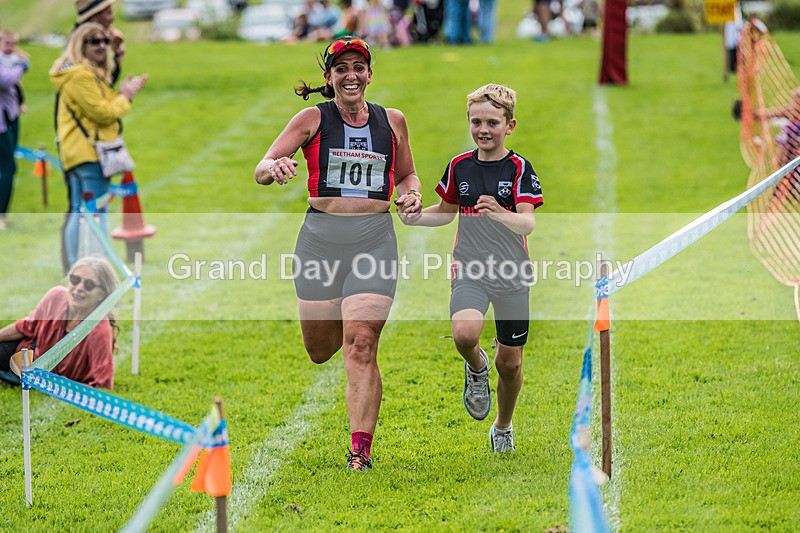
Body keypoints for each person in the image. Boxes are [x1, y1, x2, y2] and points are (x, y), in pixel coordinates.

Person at [254, 36, 422, 471]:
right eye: (342, 69)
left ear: (369, 74)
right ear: (329, 78)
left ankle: (360, 451)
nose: (351, 75)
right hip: (320, 241)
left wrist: (412, 196)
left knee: (361, 343)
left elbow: (406, 176)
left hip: (374, 239)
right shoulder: (312, 118)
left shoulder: (393, 121)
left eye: (358, 68)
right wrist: (275, 168)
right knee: (320, 348)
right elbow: (262, 167)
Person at [398, 84, 543, 452]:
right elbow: (445, 213)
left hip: (512, 274)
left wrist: (499, 212)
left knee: (510, 364)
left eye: (493, 122)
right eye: (476, 121)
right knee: (464, 333)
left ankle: (503, 426)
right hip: (470, 269)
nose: (483, 129)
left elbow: (527, 224)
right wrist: (415, 217)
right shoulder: (459, 165)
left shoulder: (520, 169)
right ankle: (477, 367)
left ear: (509, 125)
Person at [50, 22, 147, 269]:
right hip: (89, 154)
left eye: (104, 40)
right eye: (94, 41)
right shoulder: (81, 75)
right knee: (96, 212)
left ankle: (78, 268)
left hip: (78, 153)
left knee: (79, 210)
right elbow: (102, 113)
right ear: (79, 45)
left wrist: (121, 80)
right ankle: (95, 269)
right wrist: (125, 97)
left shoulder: (80, 73)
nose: (101, 45)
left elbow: (100, 104)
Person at [0, 256, 120, 389]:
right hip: (26, 355)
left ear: (102, 295)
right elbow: (25, 327)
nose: (79, 288)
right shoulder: (56, 295)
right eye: (75, 280)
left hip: (47, 380)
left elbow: (104, 384)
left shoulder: (99, 329)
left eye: (89, 285)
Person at [0, 29, 29, 231]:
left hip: (10, 116)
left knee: (9, 167)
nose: (10, 47)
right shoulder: (10, 62)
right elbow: (6, 81)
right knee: (7, 168)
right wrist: (21, 64)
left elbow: (14, 87)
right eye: (6, 42)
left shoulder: (9, 60)